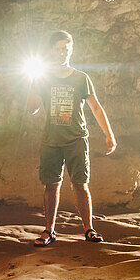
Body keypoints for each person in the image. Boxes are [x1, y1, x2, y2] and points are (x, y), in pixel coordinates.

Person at [26, 30, 116, 245]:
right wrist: (32, 82)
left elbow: (95, 107)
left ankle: (89, 229)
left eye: (66, 48)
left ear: (71, 50)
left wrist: (109, 134)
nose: (62, 52)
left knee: (81, 184)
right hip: (51, 141)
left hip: (76, 139)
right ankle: (49, 231)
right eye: (58, 48)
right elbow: (31, 109)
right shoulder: (43, 78)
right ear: (50, 50)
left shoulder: (81, 78)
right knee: (51, 185)